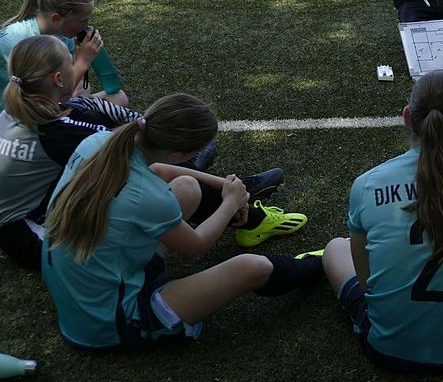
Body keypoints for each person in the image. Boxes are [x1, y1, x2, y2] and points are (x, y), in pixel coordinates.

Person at [41, 93, 324, 351]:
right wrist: (229, 204)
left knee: (187, 186)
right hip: (109, 324)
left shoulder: (99, 142)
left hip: (89, 284)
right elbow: (196, 247)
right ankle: (323, 261)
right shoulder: (148, 196)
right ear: (178, 152)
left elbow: (161, 169)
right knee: (252, 267)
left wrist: (230, 187)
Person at [0, 37, 299, 272]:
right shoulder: (60, 134)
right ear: (56, 78)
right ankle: (246, 213)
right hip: (36, 240)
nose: (77, 66)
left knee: (155, 165)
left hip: (29, 215)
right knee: (152, 172)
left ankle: (219, 183)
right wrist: (226, 189)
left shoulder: (14, 113)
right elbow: (151, 161)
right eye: (71, 62)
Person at [322, 70, 443, 371]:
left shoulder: (366, 184)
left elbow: (366, 282)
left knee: (335, 248)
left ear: (406, 117)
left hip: (386, 348)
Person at [0, 0, 130, 111]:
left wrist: (80, 97)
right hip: (22, 115)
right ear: (56, 18)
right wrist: (83, 61)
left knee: (119, 98)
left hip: (50, 104)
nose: (86, 25)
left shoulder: (61, 34)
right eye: (82, 20)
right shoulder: (23, 43)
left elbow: (76, 83)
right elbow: (47, 99)